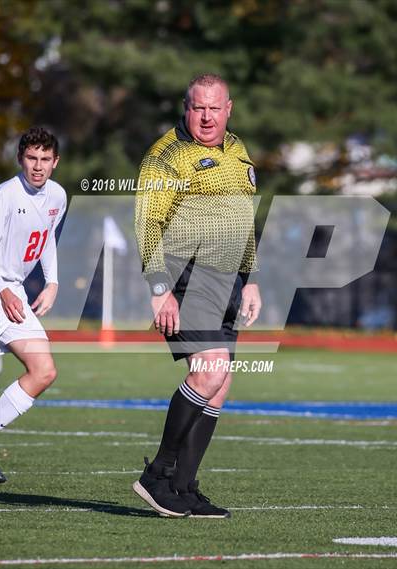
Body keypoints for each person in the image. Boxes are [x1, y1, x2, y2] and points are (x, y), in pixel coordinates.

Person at [134, 74, 261, 517]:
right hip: (184, 274)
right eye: (197, 107)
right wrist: (158, 290)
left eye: (214, 108)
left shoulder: (238, 149)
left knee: (220, 384)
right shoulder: (166, 157)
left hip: (227, 280)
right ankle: (158, 476)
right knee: (210, 371)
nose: (206, 117)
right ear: (186, 108)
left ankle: (183, 488)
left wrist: (252, 279)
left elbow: (244, 219)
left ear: (229, 108)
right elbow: (148, 224)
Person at [0, 127, 66, 483]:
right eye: (31, 158)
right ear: (20, 159)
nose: (37, 166)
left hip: (15, 294)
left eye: (44, 159)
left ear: (55, 162)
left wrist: (52, 281)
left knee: (44, 371)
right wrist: (2, 290)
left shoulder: (57, 195)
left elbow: (48, 240)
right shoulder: (5, 196)